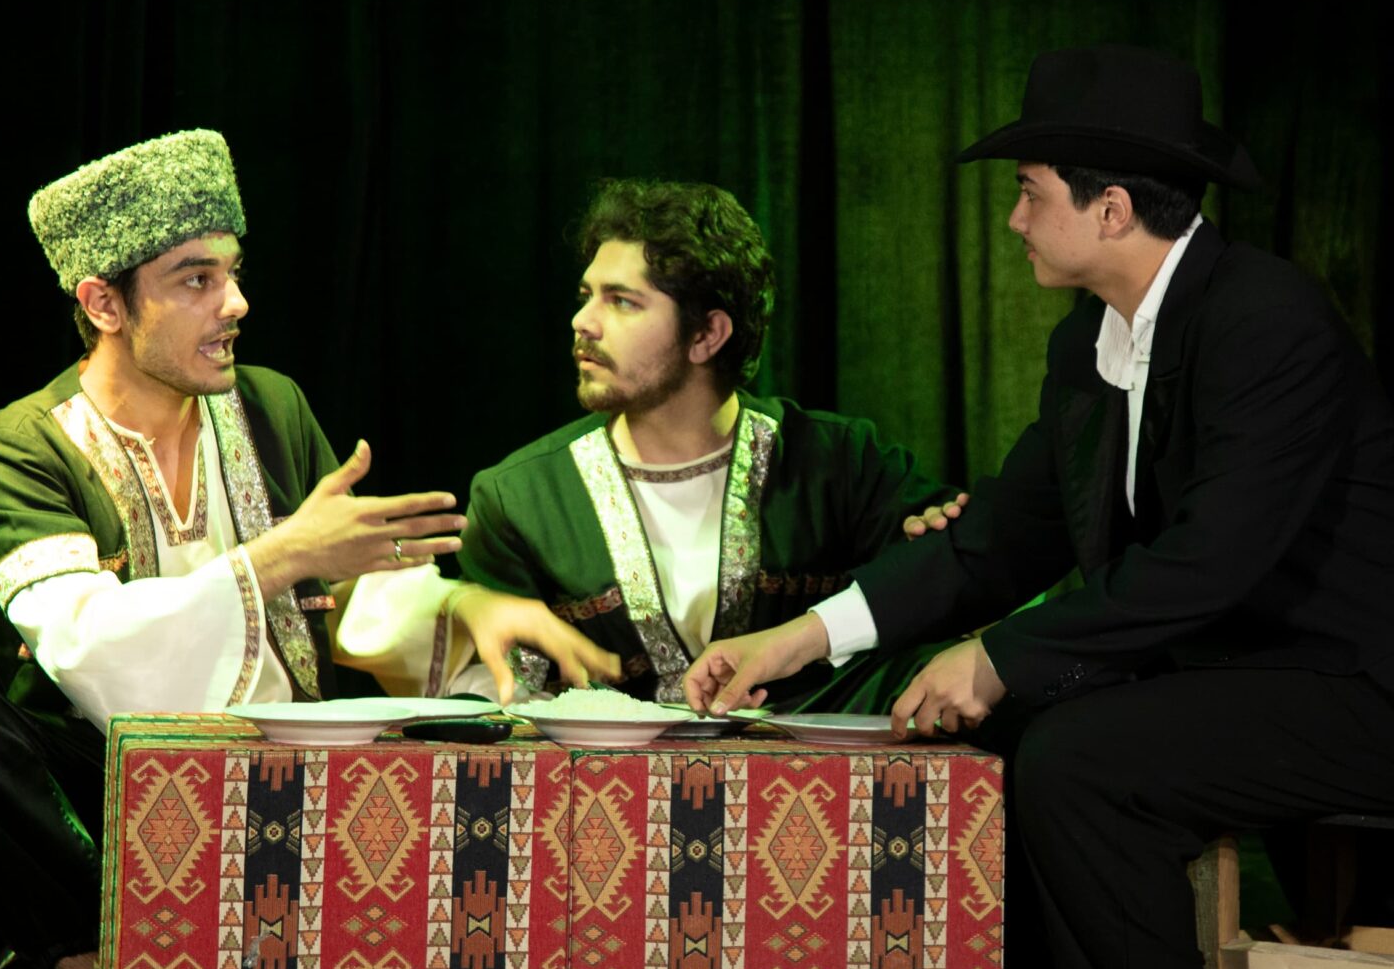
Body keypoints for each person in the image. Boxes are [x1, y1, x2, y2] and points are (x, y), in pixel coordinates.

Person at [688, 47, 1394, 969]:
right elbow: (996, 540)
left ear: (1111, 208)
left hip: (1386, 692)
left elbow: (1213, 558)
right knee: (1010, 735)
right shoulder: (1091, 345)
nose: (1014, 220)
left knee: (1082, 758)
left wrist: (1003, 653)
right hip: (1257, 681)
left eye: (1029, 194)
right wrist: (795, 639)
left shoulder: (1263, 317)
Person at [0, 130, 608, 969]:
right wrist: (273, 560)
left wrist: (465, 607)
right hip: (102, 793)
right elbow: (85, 650)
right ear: (104, 304)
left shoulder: (272, 408)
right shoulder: (21, 447)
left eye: (233, 273)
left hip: (282, 782)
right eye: (195, 280)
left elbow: (352, 613)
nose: (235, 303)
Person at [338, 178, 967, 711]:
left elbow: (959, 578)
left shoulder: (843, 464)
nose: (583, 322)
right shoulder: (521, 499)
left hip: (821, 800)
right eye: (587, 296)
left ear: (707, 335)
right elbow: (507, 703)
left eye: (622, 302)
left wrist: (936, 533)